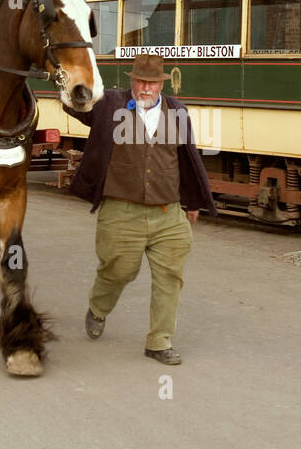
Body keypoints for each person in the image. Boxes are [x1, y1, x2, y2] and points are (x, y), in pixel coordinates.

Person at [63, 53, 217, 365]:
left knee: (170, 276)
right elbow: (75, 105)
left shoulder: (177, 111)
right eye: (140, 81)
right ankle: (98, 307)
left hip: (167, 213)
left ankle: (158, 342)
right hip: (121, 211)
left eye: (152, 82)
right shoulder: (109, 105)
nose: (145, 87)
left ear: (162, 84)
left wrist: (192, 202)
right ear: (132, 81)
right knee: (119, 271)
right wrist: (70, 85)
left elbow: (187, 159)